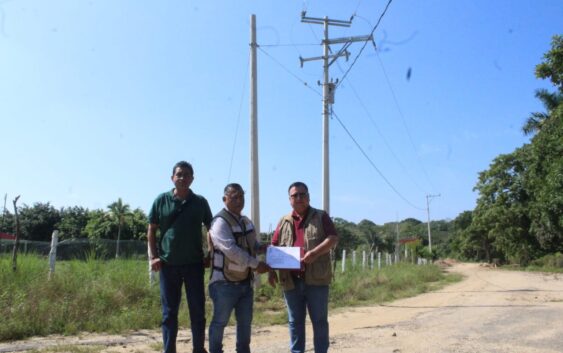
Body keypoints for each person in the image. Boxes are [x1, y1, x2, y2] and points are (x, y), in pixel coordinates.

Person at [147, 161, 213, 353]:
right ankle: (169, 350)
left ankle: (198, 349)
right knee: (169, 313)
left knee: (197, 311)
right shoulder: (161, 200)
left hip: (194, 264)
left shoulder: (200, 202)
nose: (183, 178)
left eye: (187, 175)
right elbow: (151, 230)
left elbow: (211, 229)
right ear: (172, 178)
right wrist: (154, 257)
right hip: (168, 265)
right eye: (179, 174)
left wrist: (210, 253)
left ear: (192, 178)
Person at [268, 182, 338, 353]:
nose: (299, 198)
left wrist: (314, 253)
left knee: (319, 321)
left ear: (308, 197)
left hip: (317, 280)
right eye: (295, 195)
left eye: (302, 194)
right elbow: (274, 246)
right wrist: (271, 271)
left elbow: (333, 238)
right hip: (291, 281)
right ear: (289, 199)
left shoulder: (321, 216)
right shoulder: (283, 221)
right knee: (295, 322)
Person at [207, 183, 270, 353]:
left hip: (244, 283)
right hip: (223, 284)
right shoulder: (220, 222)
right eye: (234, 196)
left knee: (245, 324)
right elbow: (232, 251)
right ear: (224, 199)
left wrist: (262, 248)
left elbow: (252, 245)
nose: (239, 200)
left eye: (241, 196)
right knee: (219, 322)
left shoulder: (246, 221)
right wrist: (257, 265)